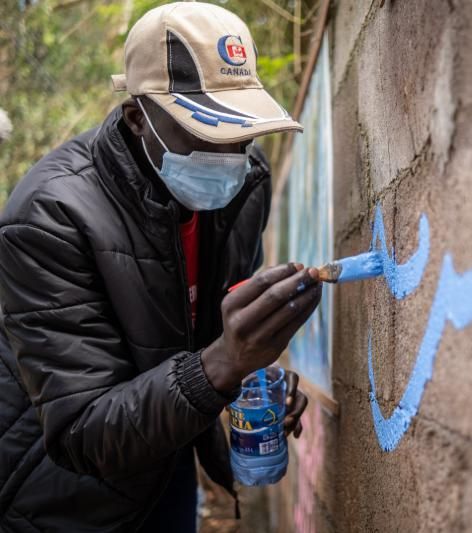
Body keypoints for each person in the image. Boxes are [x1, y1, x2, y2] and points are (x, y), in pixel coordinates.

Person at [0, 3, 320, 530]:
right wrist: (223, 361)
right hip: (61, 498)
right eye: (208, 131)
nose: (231, 153)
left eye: (243, 133)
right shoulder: (49, 217)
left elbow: (204, 337)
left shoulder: (244, 185)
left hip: (166, 458)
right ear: (137, 118)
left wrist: (250, 378)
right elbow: (83, 431)